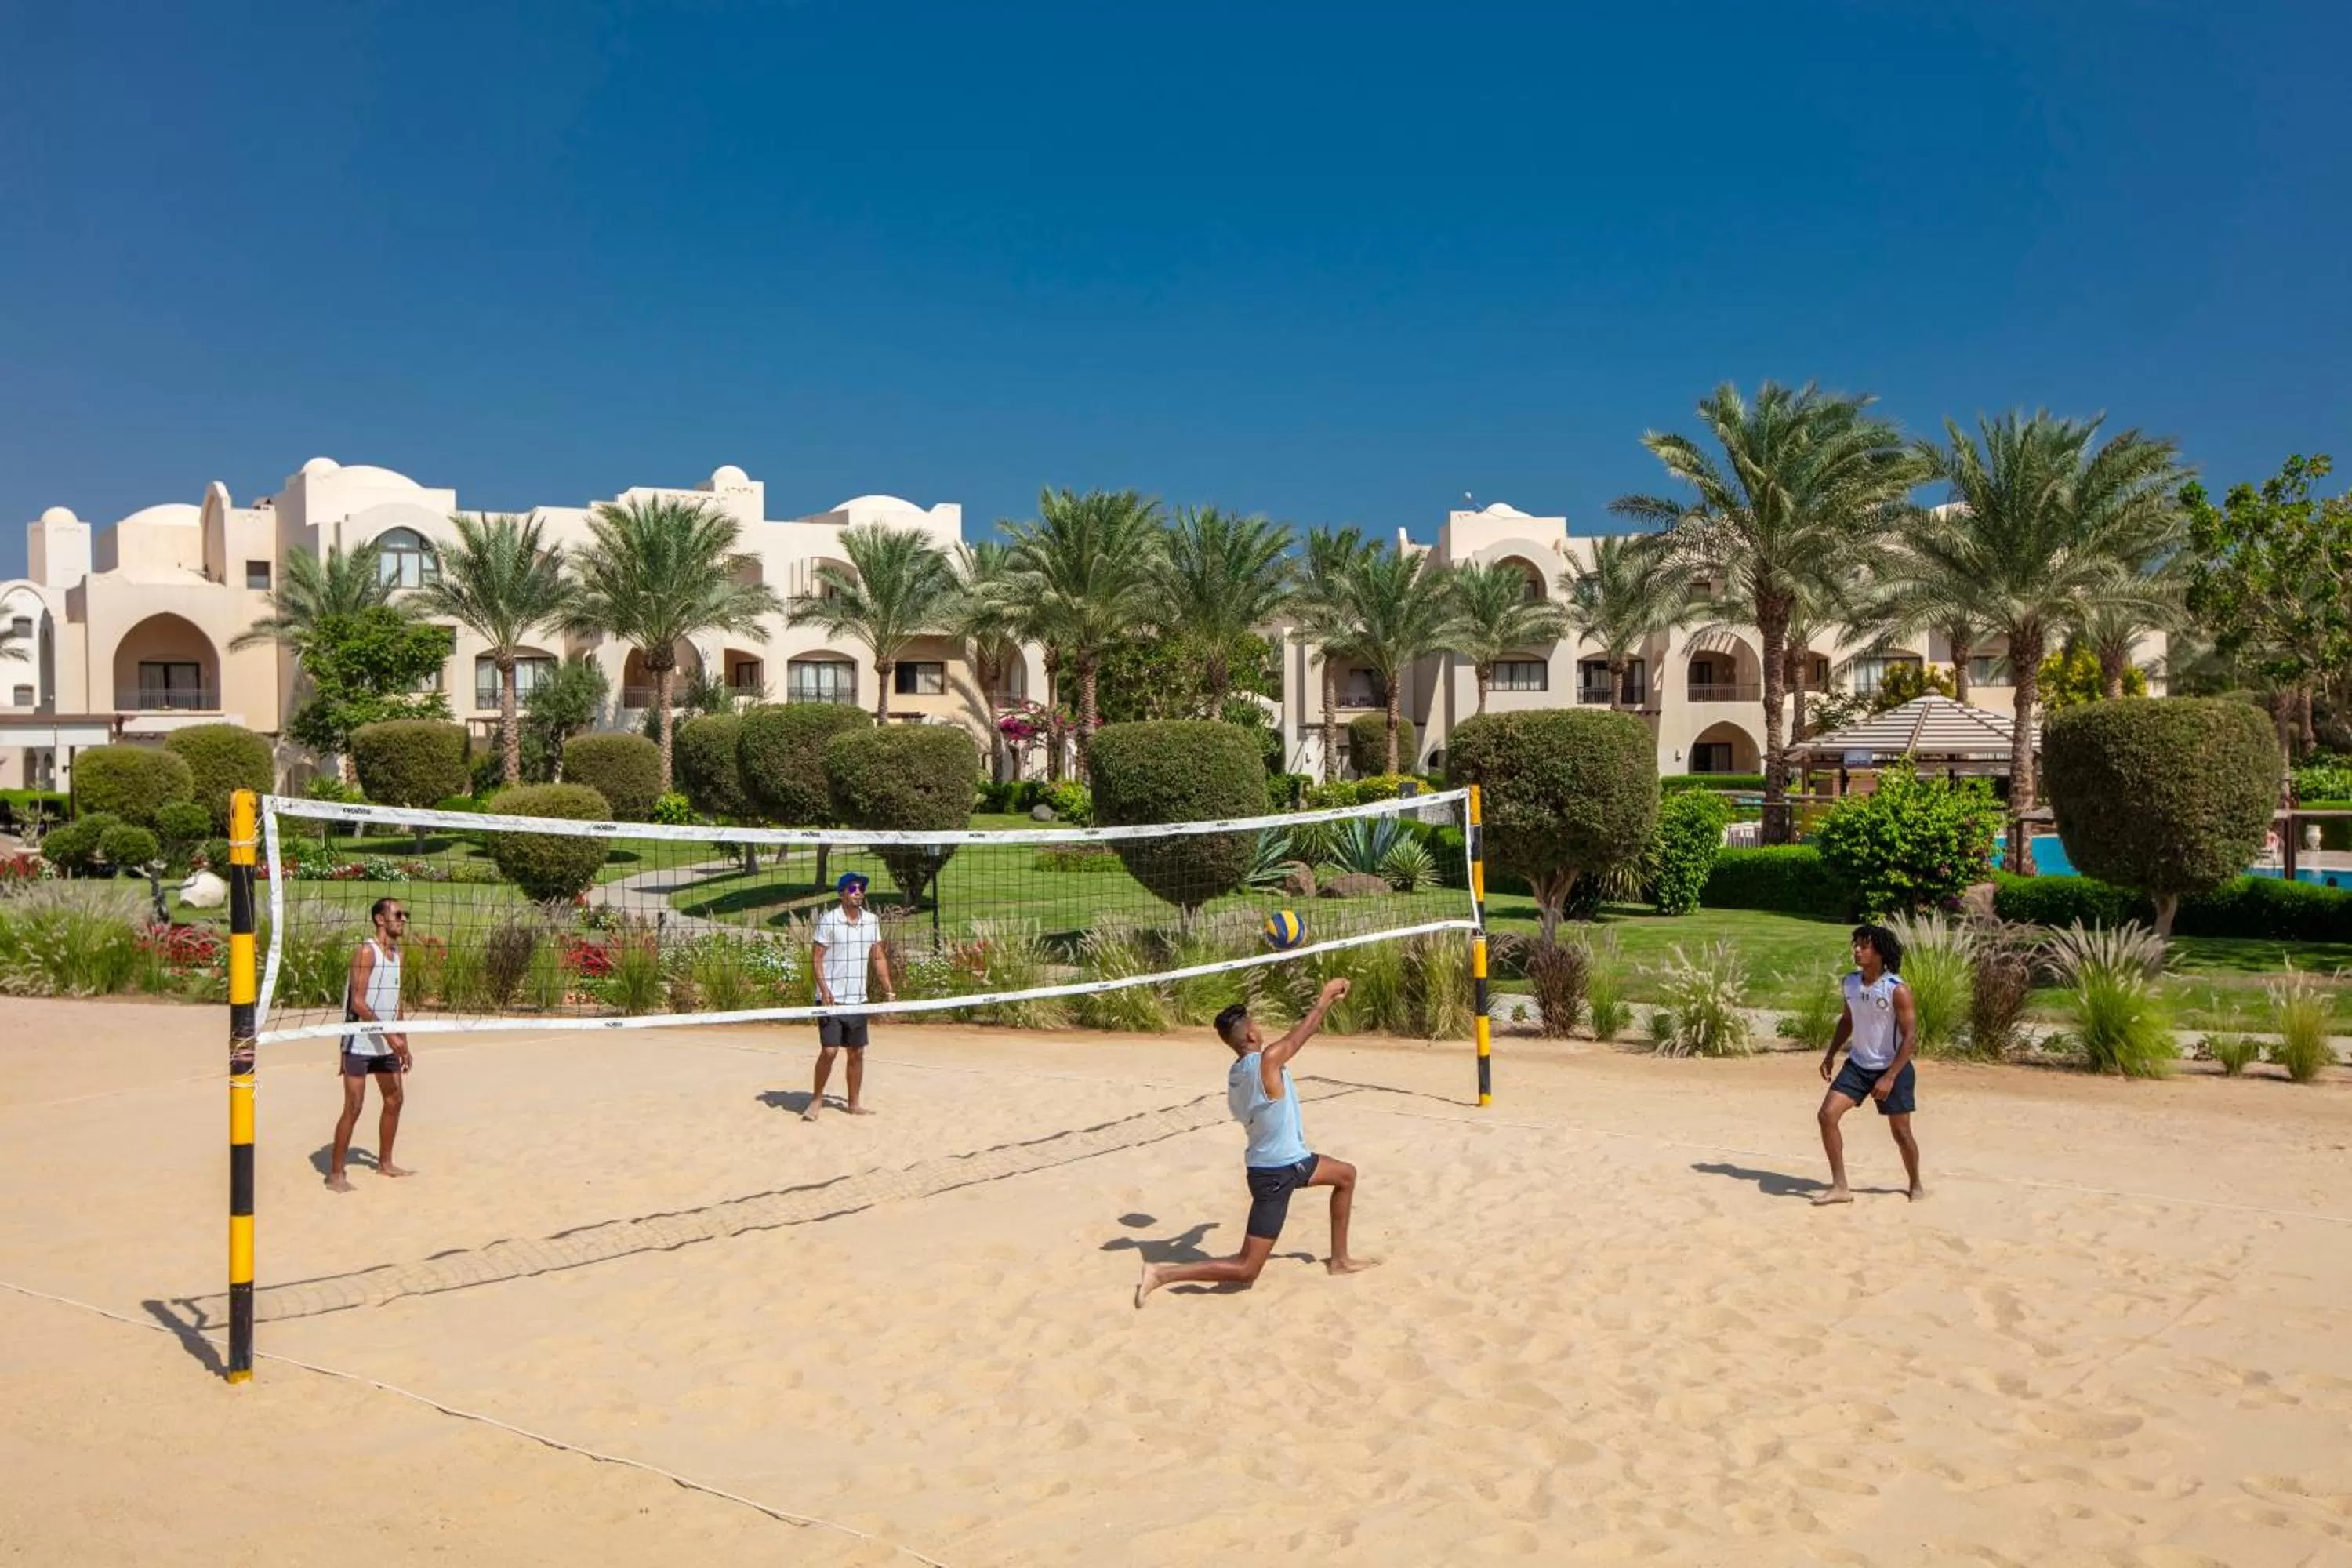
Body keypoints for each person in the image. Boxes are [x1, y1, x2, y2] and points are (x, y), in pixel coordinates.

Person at [1134, 980, 1376, 1307]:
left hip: (1293, 1162)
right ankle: (1161, 1274)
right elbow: (1305, 1031)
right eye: (1256, 1025)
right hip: (1274, 1175)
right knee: (1247, 1269)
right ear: (1251, 1035)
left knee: (1345, 1175)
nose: (1260, 1029)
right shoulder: (1269, 1060)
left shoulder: (1235, 1076)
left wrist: (1196, 1233)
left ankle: (1340, 1260)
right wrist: (1326, 997)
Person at [1814, 922, 1923, 1205]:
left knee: (1901, 1133)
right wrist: (1830, 1054)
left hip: (1892, 1068)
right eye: (1856, 945)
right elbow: (1848, 1021)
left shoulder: (1896, 989)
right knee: (1827, 1116)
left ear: (1879, 952)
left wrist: (1890, 1077)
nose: (1857, 950)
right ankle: (1840, 1187)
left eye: (1864, 946)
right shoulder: (1850, 983)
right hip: (1858, 1066)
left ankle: (1915, 1183)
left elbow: (1910, 1036)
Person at [328, 897, 414, 1192]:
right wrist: (389, 1034)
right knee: (354, 1106)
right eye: (398, 914)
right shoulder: (367, 952)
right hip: (361, 1040)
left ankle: (385, 1163)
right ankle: (336, 1174)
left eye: (405, 915)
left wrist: (403, 1040)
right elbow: (358, 1003)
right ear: (380, 919)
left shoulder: (398, 955)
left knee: (395, 1099)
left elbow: (397, 1002)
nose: (403, 919)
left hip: (388, 1041)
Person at [804, 871, 895, 1121]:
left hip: (858, 998)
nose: (859, 893)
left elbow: (877, 956)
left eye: (861, 889)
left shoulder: (871, 921)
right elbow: (817, 958)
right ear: (842, 893)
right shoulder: (829, 920)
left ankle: (854, 1103)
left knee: (856, 1052)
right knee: (830, 1050)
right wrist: (824, 990)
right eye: (853, 889)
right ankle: (816, 1099)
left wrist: (889, 989)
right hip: (832, 999)